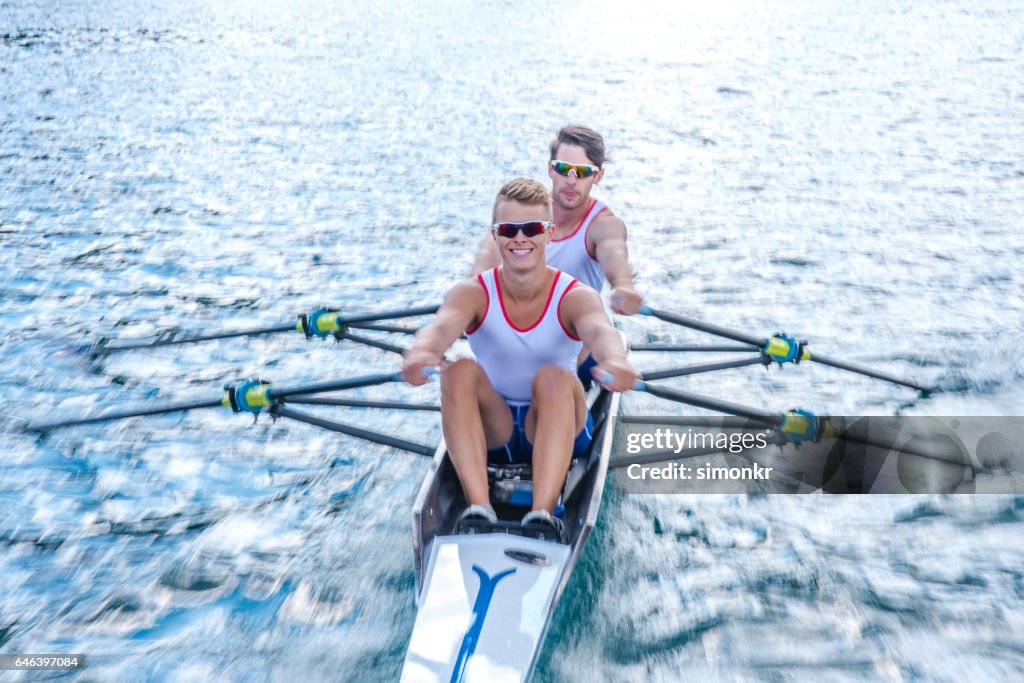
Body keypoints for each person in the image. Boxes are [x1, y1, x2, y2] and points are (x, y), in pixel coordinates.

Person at [403, 178, 637, 540]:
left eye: (532, 229)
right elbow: (439, 329)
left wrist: (616, 360)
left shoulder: (575, 296)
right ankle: (479, 510)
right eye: (509, 229)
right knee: (458, 372)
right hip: (496, 428)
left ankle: (543, 515)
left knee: (553, 379)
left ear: (549, 233)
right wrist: (422, 353)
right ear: (495, 235)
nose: (520, 238)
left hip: (558, 420)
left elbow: (601, 333)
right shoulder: (471, 293)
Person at [470, 125, 644, 316]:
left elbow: (614, 250)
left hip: (580, 328)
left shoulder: (603, 225)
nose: (571, 181)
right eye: (563, 168)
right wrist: (472, 295)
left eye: (583, 172)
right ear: (550, 169)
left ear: (598, 176)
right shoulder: (518, 215)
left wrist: (624, 285)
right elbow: (487, 256)